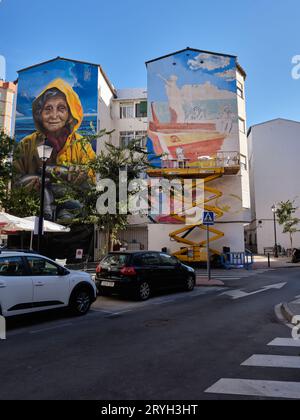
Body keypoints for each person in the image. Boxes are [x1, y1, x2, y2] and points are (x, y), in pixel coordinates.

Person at [14, 78, 96, 220]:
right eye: (48, 109)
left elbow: (94, 182)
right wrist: (32, 183)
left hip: (73, 222)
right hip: (33, 218)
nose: (54, 115)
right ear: (39, 113)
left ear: (70, 114)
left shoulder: (83, 145)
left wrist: (82, 176)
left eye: (61, 108)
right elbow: (14, 182)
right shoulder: (26, 145)